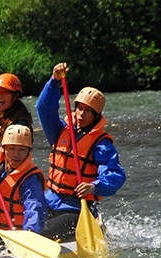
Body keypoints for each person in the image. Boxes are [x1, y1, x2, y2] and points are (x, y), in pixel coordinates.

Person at [36, 62, 126, 242]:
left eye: (88, 111)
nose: (81, 114)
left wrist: (94, 185)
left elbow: (115, 174)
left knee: (42, 233)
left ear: (96, 116)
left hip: (77, 208)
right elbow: (43, 109)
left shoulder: (101, 144)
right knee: (25, 223)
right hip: (49, 200)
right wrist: (54, 81)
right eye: (79, 108)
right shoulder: (59, 131)